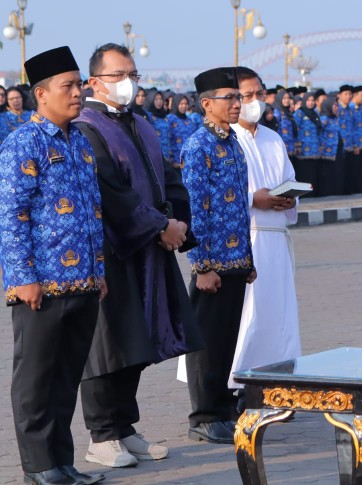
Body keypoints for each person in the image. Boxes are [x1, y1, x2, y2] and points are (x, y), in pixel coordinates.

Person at [74, 43, 204, 468]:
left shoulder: (141, 124)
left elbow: (168, 178)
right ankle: (101, 434)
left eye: (133, 73)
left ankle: (125, 427)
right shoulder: (86, 127)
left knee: (139, 341)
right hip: (113, 251)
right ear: (94, 81)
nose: (127, 82)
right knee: (108, 344)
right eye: (117, 75)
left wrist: (177, 225)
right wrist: (158, 226)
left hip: (151, 248)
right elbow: (111, 192)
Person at [0, 46, 107, 485]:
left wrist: (98, 269)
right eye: (69, 85)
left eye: (80, 84)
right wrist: (23, 277)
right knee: (36, 382)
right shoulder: (23, 142)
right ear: (41, 94)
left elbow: (92, 210)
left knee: (66, 379)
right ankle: (38, 467)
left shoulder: (79, 141)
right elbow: (11, 214)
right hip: (41, 286)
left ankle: (61, 463)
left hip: (83, 283)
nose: (78, 92)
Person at [179, 67, 256, 444]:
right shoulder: (198, 146)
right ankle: (204, 414)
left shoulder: (232, 143)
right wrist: (202, 266)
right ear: (207, 104)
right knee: (208, 341)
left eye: (237, 97)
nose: (236, 104)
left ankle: (223, 408)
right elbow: (195, 211)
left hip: (237, 260)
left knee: (227, 340)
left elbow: (241, 207)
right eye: (229, 98)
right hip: (212, 265)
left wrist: (249, 258)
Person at [228, 67, 301, 402]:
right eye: (246, 95)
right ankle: (236, 385)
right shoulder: (227, 139)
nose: (255, 101)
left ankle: (276, 381)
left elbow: (288, 177)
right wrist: (253, 198)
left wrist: (289, 197)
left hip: (275, 236)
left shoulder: (273, 138)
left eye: (259, 94)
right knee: (246, 315)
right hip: (247, 236)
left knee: (277, 313)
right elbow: (221, 193)